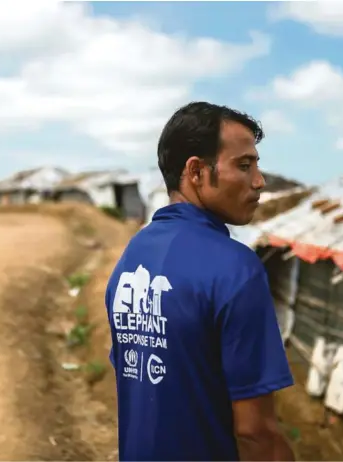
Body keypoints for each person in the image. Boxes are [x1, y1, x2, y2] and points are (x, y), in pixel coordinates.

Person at [105, 102, 295, 461]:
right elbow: (256, 432)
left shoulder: (133, 257)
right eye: (244, 165)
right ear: (196, 171)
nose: (259, 181)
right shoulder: (235, 268)